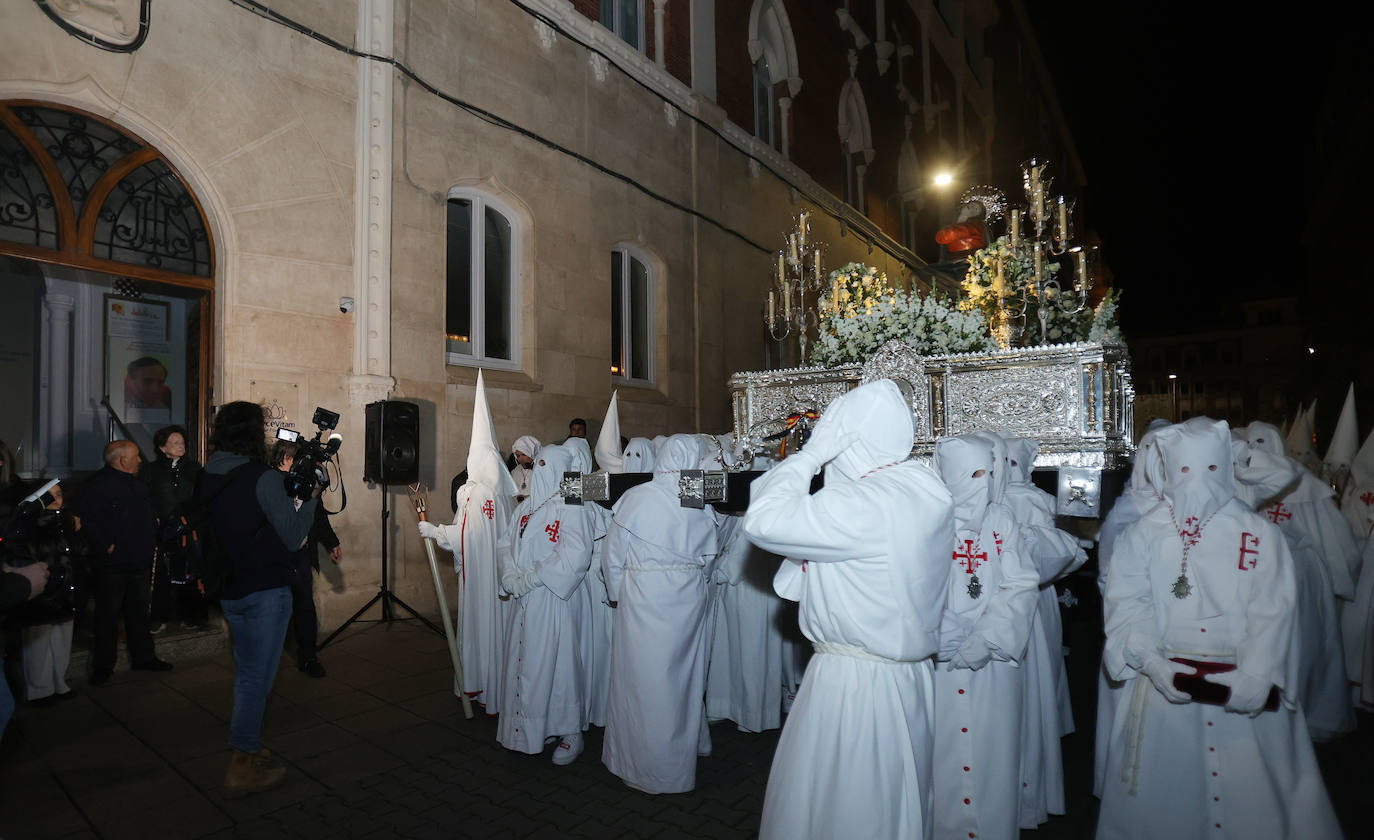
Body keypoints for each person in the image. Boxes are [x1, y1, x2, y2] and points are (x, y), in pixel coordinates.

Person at [1097, 417, 1341, 839]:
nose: (1198, 483)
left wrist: (1259, 672)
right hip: (1164, 685)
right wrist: (1152, 663)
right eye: (1186, 470)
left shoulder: (1258, 533)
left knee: (1254, 793)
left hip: (1242, 676)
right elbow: (1128, 603)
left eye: (1210, 469)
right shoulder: (1143, 533)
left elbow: (1274, 607)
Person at [742, 380, 955, 840]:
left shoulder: (862, 504)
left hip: (855, 686)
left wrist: (809, 456)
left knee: (844, 807)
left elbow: (761, 521)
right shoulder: (923, 489)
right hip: (909, 678)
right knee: (894, 799)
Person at [201, 401, 319, 795]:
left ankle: (247, 740)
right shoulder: (262, 478)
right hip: (265, 591)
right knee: (257, 677)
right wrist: (313, 495)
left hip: (229, 590)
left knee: (247, 672)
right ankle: (242, 764)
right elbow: (294, 537)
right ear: (253, 433)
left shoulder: (207, 474)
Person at [931, 432, 1039, 840]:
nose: (984, 483)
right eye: (973, 474)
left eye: (989, 473)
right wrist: (946, 636)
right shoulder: (926, 523)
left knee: (994, 762)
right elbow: (913, 586)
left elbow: (1021, 583)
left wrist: (987, 637)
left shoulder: (1001, 521)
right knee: (939, 765)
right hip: (940, 668)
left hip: (993, 665)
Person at [601, 434, 721, 794]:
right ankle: (685, 750)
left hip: (644, 596)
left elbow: (613, 556)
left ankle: (648, 768)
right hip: (687, 596)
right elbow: (710, 556)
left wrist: (618, 593)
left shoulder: (636, 498)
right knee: (682, 678)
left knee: (643, 683)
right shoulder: (696, 499)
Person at [1000, 434, 1084, 828]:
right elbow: (1075, 546)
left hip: (1029, 603)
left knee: (1030, 686)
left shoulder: (1029, 501)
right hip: (1029, 602)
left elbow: (1066, 550)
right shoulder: (1037, 500)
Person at [419, 373, 518, 709]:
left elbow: (466, 535)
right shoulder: (503, 493)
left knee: (479, 629)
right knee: (497, 630)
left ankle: (479, 685)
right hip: (497, 578)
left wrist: (436, 532)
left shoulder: (474, 492)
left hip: (478, 578)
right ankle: (497, 687)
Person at [495, 443, 595, 765]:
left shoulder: (572, 504)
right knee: (527, 665)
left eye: (547, 465)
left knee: (560, 664)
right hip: (524, 600)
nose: (540, 471)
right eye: (538, 465)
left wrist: (533, 577)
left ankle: (570, 732)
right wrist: (509, 573)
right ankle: (535, 727)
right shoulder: (526, 509)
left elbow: (576, 553)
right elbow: (505, 542)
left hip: (553, 599)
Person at [70, 440, 172, 684]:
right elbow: (86, 521)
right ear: (121, 460)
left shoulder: (138, 485)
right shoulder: (96, 486)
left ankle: (144, 657)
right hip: (112, 564)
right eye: (136, 456)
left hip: (138, 558)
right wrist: (107, 545)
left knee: (139, 613)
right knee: (108, 615)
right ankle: (103, 667)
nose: (139, 460)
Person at [271, 440, 341, 679]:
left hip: (300, 555)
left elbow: (318, 517)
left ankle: (308, 657)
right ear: (281, 458)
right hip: (276, 555)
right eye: (292, 457)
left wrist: (332, 543)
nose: (297, 462)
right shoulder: (269, 482)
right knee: (274, 607)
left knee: (305, 607)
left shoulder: (309, 483)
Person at [17, 482, 85, 705]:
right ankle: (39, 689)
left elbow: (76, 552)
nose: (57, 500)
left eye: (58, 494)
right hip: (42, 590)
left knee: (61, 638)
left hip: (66, 588)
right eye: (50, 496)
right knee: (39, 642)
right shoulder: (29, 524)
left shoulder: (66, 521)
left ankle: (59, 682)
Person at [144, 425, 207, 632]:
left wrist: (189, 521)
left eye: (182, 443)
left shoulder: (195, 469)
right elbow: (147, 499)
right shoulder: (151, 470)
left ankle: (192, 616)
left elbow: (201, 499)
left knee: (191, 573)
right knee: (162, 573)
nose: (181, 446)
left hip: (189, 528)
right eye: (175, 443)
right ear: (162, 448)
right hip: (161, 530)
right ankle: (160, 616)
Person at [509, 435, 540, 503]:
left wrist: (527, 498)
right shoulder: (516, 470)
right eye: (518, 456)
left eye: (524, 454)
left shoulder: (541, 470)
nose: (520, 459)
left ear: (532, 452)